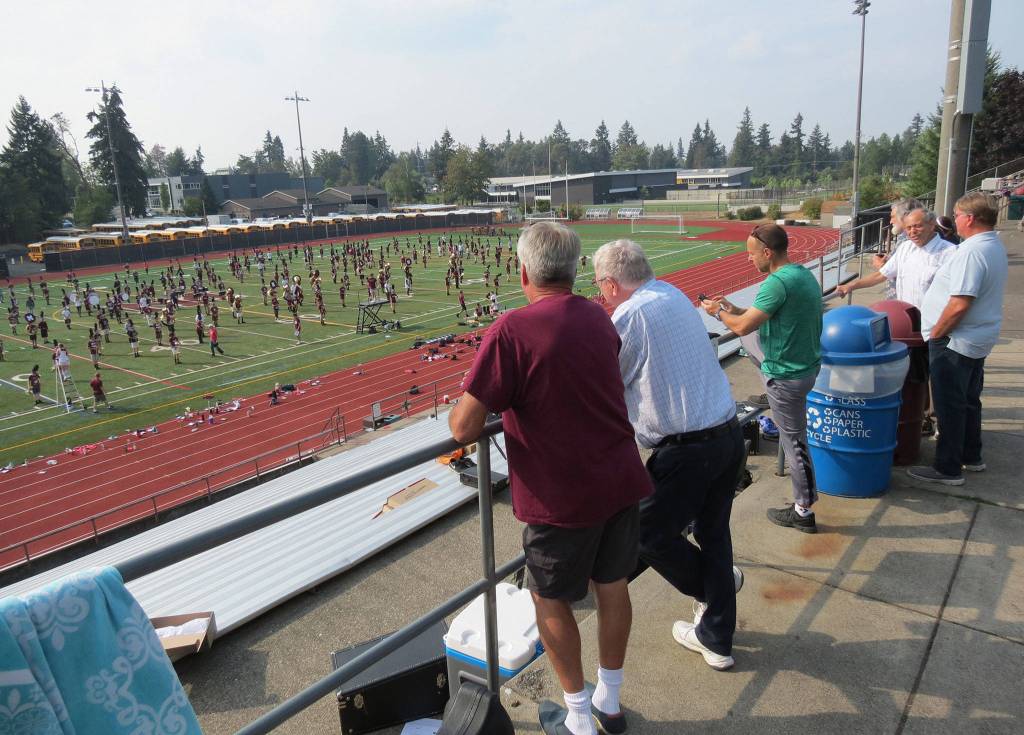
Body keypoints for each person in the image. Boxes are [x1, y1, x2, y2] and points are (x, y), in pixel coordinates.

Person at [449, 222, 651, 735]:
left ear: (523, 272)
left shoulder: (511, 330)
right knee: (613, 586)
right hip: (620, 476)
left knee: (549, 599)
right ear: (574, 268)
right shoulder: (598, 315)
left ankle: (579, 716)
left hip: (562, 496)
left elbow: (463, 427)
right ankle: (610, 701)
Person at [594, 239, 746, 672]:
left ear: (609, 282)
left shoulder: (629, 315)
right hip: (725, 433)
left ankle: (717, 600)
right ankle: (716, 633)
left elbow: (606, 381)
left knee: (646, 534)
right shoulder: (672, 293)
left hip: (688, 450)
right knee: (714, 533)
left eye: (600, 287)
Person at [703, 223, 823, 533]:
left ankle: (803, 510)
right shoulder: (801, 274)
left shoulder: (776, 283)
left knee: (794, 441)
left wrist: (718, 312)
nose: (749, 260)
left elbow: (742, 328)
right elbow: (761, 316)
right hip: (805, 367)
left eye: (751, 254)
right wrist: (735, 308)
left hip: (786, 375)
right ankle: (769, 390)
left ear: (767, 253)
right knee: (794, 436)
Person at [910, 193, 1008, 485]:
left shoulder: (971, 252)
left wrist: (937, 334)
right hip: (976, 337)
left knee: (950, 404)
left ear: (970, 218)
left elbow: (960, 303)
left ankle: (948, 467)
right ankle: (970, 455)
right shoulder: (993, 246)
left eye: (956, 214)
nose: (953, 221)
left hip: (956, 340)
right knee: (968, 401)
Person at [836, 208, 957, 307]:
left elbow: (957, 297)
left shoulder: (951, 253)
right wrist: (851, 286)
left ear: (931, 225)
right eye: (908, 228)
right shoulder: (905, 248)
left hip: (934, 326)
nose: (912, 231)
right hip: (906, 320)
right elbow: (881, 275)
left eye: (917, 226)